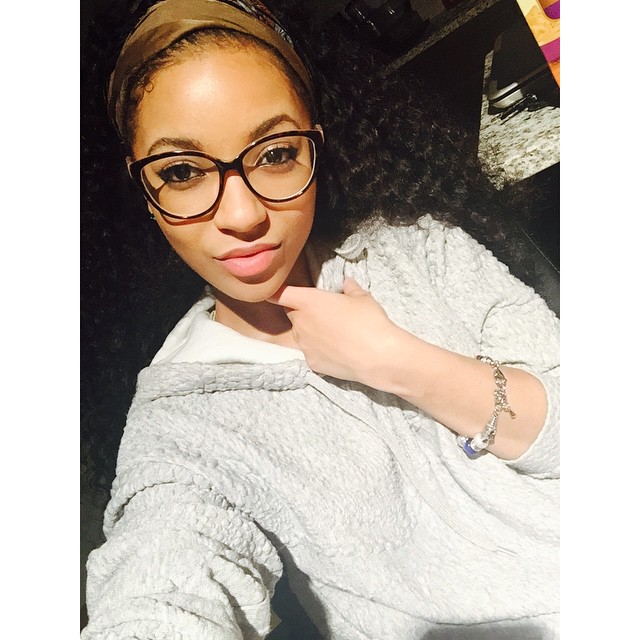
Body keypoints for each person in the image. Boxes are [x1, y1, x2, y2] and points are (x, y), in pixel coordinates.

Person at [81, 0, 560, 638]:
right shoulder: (179, 429)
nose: (243, 215)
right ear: (143, 190)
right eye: (183, 171)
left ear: (317, 145)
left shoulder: (419, 251)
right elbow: (162, 584)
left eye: (276, 153)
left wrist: (396, 361)